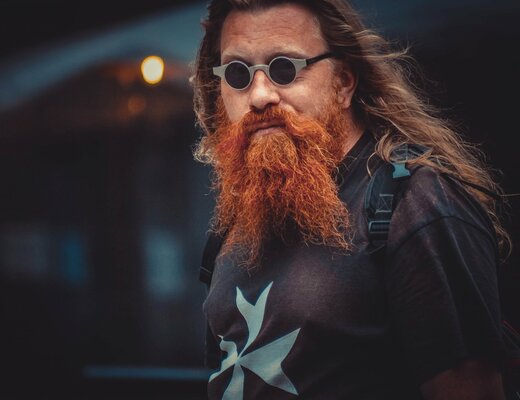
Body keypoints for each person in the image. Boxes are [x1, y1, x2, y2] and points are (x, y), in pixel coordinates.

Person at [191, 0, 511, 399]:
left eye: (284, 68)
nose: (259, 96)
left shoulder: (416, 204)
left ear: (343, 82)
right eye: (238, 74)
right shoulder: (238, 222)